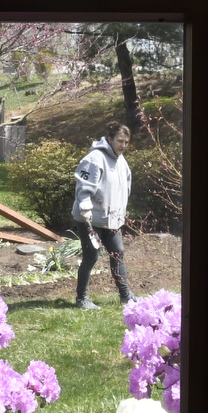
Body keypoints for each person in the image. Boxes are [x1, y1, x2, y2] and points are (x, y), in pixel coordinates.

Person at [71, 121, 134, 309]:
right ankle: (81, 299)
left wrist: (120, 210)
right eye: (120, 141)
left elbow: (126, 187)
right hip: (91, 219)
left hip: (112, 220)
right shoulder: (94, 159)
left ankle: (126, 296)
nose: (123, 145)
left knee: (118, 254)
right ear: (109, 139)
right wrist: (84, 207)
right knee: (91, 256)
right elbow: (83, 186)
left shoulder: (121, 161)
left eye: (126, 142)